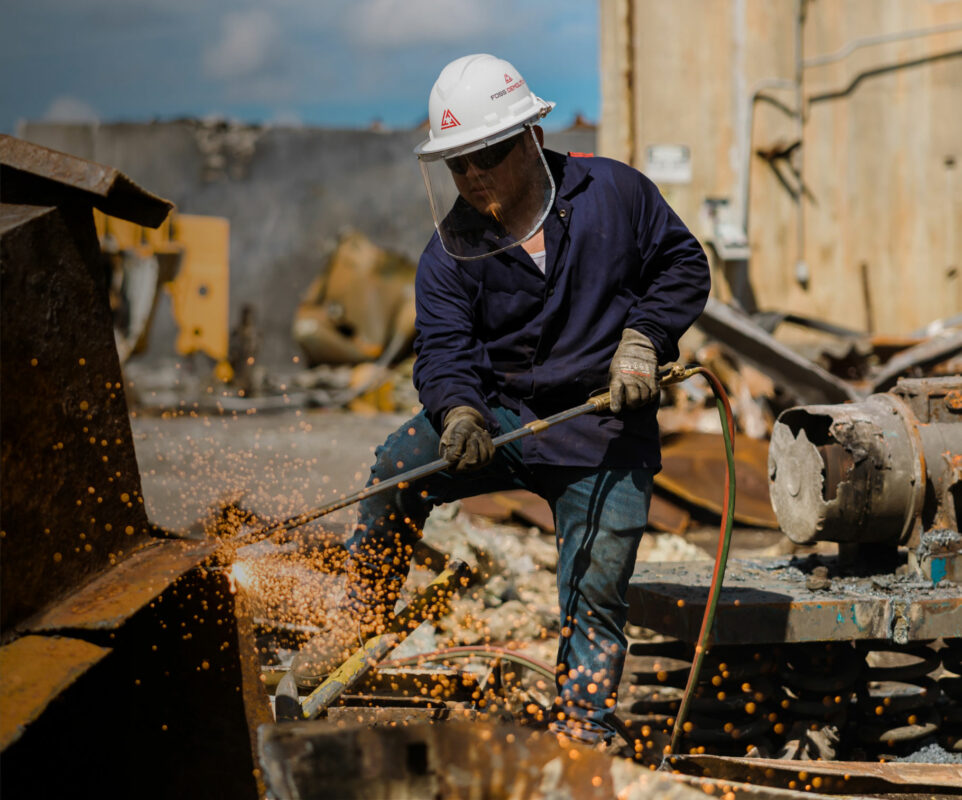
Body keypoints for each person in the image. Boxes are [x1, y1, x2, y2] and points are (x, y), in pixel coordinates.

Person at [292, 53, 710, 746]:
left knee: (596, 580)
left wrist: (643, 341)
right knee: (398, 469)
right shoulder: (448, 254)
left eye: (486, 155)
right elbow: (443, 351)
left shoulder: (616, 194)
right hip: (502, 418)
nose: (473, 175)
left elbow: (682, 264)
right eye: (457, 163)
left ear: (532, 139)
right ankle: (356, 622)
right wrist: (459, 413)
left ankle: (583, 724)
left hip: (604, 426)